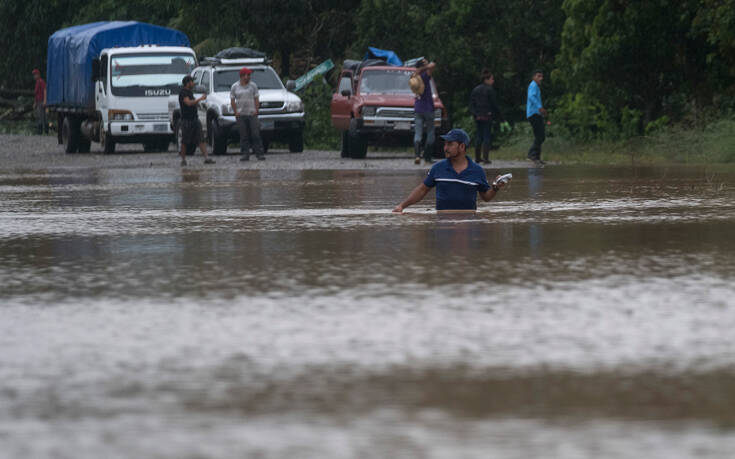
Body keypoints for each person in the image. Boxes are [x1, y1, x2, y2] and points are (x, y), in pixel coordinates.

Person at [393, 128, 508, 212]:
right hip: (442, 223)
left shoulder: (477, 171)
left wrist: (495, 187)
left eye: (450, 144)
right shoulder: (438, 168)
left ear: (462, 147)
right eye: (445, 144)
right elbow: (422, 190)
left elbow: (486, 197)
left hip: (468, 224)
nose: (445, 148)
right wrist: (402, 206)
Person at [178, 75, 214, 166]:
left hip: (195, 119)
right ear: (188, 83)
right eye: (192, 81)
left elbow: (193, 103)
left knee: (201, 139)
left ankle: (206, 158)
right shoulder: (183, 93)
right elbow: (188, 103)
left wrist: (200, 105)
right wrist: (200, 99)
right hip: (187, 120)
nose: (193, 83)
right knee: (185, 141)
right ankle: (183, 160)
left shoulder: (190, 92)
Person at [469, 69, 503, 164]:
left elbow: (471, 104)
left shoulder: (475, 89)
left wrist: (475, 114)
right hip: (487, 115)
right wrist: (500, 116)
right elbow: (494, 104)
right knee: (486, 136)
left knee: (479, 136)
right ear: (486, 79)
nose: (493, 81)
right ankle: (486, 158)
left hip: (478, 116)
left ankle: (477, 157)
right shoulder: (490, 90)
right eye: (492, 79)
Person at [230, 67, 264, 161]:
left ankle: (259, 153)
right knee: (243, 135)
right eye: (247, 75)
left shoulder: (253, 86)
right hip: (241, 114)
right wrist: (235, 111)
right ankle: (245, 154)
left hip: (252, 113)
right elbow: (232, 100)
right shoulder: (235, 87)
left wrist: (257, 110)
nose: (248, 77)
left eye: (249, 75)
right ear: (242, 76)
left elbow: (256, 98)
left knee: (255, 134)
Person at [411, 59, 437, 165]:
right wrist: (429, 66)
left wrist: (424, 66)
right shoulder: (425, 76)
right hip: (428, 108)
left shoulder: (414, 77)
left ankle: (417, 155)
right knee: (430, 132)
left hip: (418, 108)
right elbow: (432, 67)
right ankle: (427, 157)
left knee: (418, 133)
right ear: (423, 66)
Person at [526, 70, 547, 166]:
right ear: (534, 77)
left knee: (540, 135)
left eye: (541, 76)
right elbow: (531, 97)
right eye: (538, 76)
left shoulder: (536, 86)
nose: (540, 78)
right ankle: (532, 154)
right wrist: (539, 107)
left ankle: (537, 157)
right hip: (533, 113)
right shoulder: (533, 85)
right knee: (540, 136)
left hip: (536, 113)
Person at [32, 69, 48, 135]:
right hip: (38, 101)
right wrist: (35, 102)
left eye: (35, 74)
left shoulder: (41, 81)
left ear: (38, 75)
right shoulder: (37, 82)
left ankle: (41, 132)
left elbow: (45, 90)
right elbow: (36, 93)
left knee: (42, 116)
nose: (34, 76)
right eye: (33, 75)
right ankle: (44, 131)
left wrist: (45, 101)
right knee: (41, 116)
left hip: (41, 101)